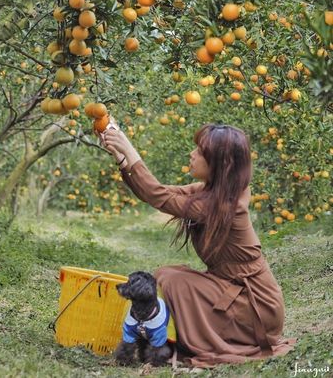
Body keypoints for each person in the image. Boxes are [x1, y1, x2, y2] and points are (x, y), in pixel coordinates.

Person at [101, 124, 295, 367]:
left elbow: (158, 196)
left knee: (174, 280)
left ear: (220, 164)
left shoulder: (227, 205)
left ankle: (185, 342)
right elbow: (157, 192)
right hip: (233, 289)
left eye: (200, 152)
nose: (192, 154)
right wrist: (122, 158)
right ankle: (179, 336)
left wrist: (128, 147)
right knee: (167, 274)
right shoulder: (212, 192)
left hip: (255, 305)